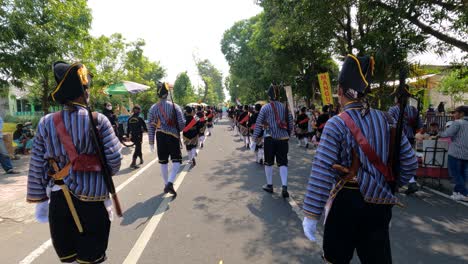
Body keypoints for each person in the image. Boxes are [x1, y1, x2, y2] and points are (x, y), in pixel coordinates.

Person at [302, 54, 418, 263]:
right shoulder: (388, 118)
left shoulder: (336, 124)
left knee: (336, 259)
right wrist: (388, 186)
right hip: (379, 204)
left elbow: (322, 171)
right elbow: (409, 163)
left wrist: (311, 214)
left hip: (346, 202)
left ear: (339, 91)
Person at [27, 61, 122, 264]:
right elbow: (114, 161)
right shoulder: (99, 120)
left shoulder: (45, 122)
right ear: (84, 91)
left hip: (59, 200)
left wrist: (40, 199)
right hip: (93, 200)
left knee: (69, 257)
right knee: (91, 258)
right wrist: (99, 176)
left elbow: (37, 165)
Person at [251, 83, 294, 198]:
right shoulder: (285, 107)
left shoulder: (265, 107)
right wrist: (289, 135)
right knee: (283, 163)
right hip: (283, 138)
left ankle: (270, 185)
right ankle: (284, 187)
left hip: (270, 138)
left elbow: (259, 124)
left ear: (269, 96)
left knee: (268, 162)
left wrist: (254, 139)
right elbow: (290, 123)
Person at [148, 82, 185, 196]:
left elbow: (151, 125)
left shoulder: (153, 108)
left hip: (160, 136)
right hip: (173, 136)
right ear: (167, 94)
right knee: (177, 161)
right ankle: (170, 182)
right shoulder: (175, 106)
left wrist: (151, 142)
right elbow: (182, 124)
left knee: (163, 161)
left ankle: (166, 184)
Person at [388, 91, 423, 194]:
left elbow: (390, 124)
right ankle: (411, 182)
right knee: (407, 157)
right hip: (410, 137)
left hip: (397, 137)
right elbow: (420, 125)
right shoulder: (414, 110)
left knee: (397, 159)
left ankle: (400, 182)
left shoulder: (393, 109)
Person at [438, 106, 468, 202]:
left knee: (455, 174)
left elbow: (447, 134)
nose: (453, 114)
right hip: (466, 154)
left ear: (462, 113)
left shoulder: (458, 122)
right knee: (462, 174)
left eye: (455, 112)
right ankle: (456, 193)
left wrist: (439, 133)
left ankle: (464, 193)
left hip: (455, 153)